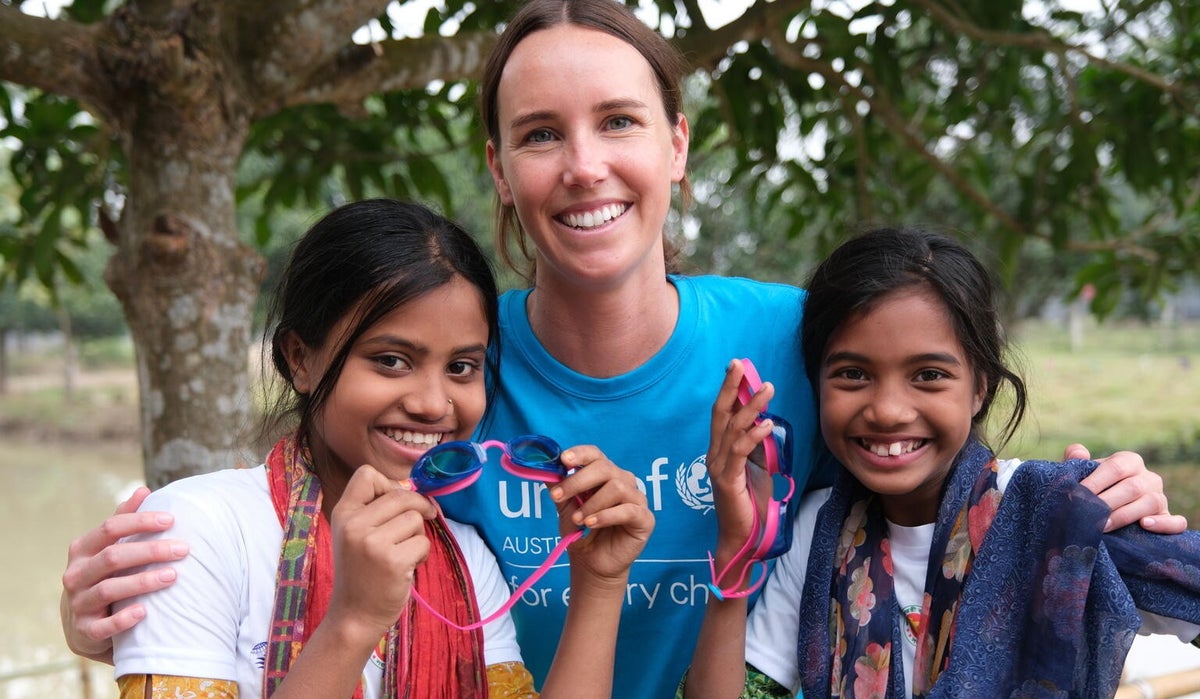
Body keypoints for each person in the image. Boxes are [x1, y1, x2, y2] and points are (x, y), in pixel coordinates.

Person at [60, 2, 1186, 697]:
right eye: (540, 136)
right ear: (499, 173)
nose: (584, 166)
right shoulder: (448, 371)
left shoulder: (798, 343)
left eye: (619, 122)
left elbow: (945, 502)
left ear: (678, 145)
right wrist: (117, 610)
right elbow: (284, 546)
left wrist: (1087, 501)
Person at [106, 198, 654, 698]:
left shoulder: (465, 561)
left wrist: (599, 583)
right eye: (391, 360)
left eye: (461, 367)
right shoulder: (195, 531)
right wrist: (355, 618)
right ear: (300, 358)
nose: (433, 404)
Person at [681, 226, 1200, 698]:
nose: (886, 410)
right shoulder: (820, 532)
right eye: (853, 375)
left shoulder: (1056, 513)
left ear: (980, 387)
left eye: (928, 375)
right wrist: (739, 547)